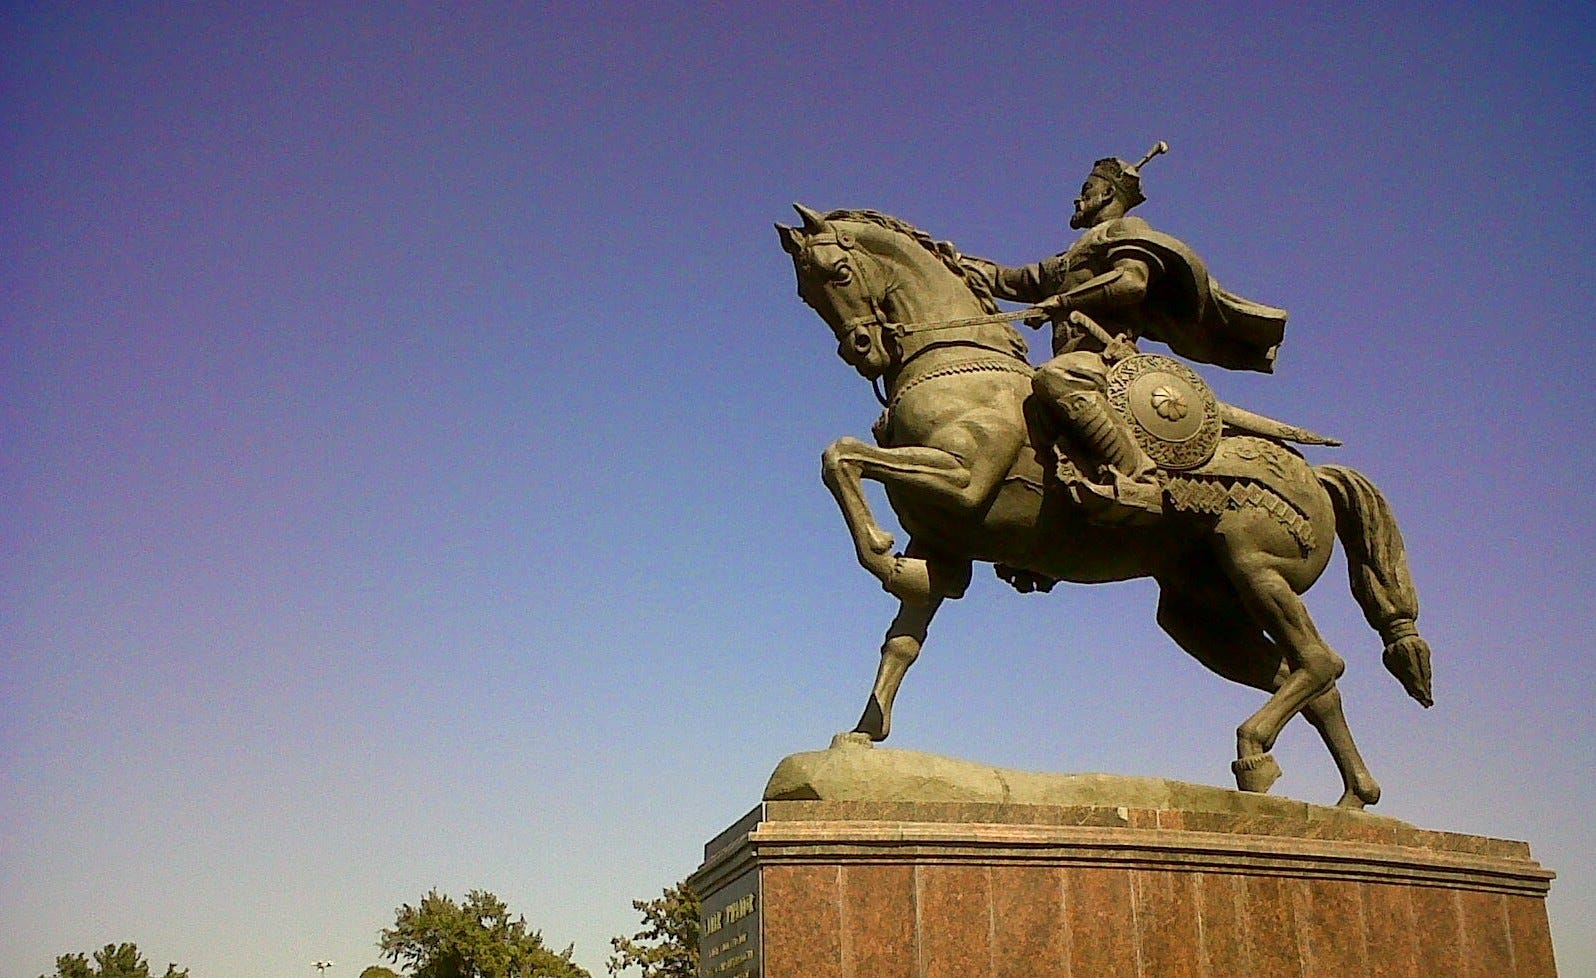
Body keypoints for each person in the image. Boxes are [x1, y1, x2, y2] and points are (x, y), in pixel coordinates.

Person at [967, 144, 1288, 523]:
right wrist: (949, 259)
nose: (1077, 198)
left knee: (1056, 377)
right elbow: (1010, 279)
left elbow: (1132, 281)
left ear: (1107, 194)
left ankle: (1137, 477)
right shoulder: (1068, 259)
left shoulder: (1128, 230)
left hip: (1106, 360)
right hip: (1074, 358)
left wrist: (1063, 300)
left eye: (1086, 190)